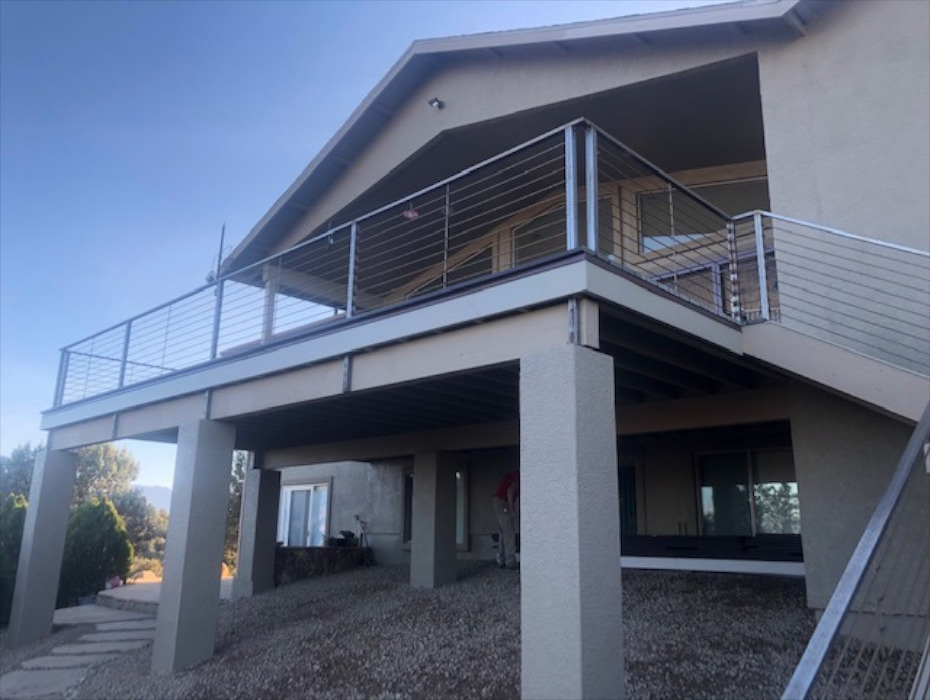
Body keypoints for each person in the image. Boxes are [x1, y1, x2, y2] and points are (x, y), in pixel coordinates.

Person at [492, 470, 520, 569]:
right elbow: (510, 491)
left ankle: (501, 558)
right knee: (509, 531)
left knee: (503, 531)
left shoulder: (514, 475)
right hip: (502, 502)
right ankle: (510, 561)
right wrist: (511, 509)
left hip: (499, 501)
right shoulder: (517, 476)